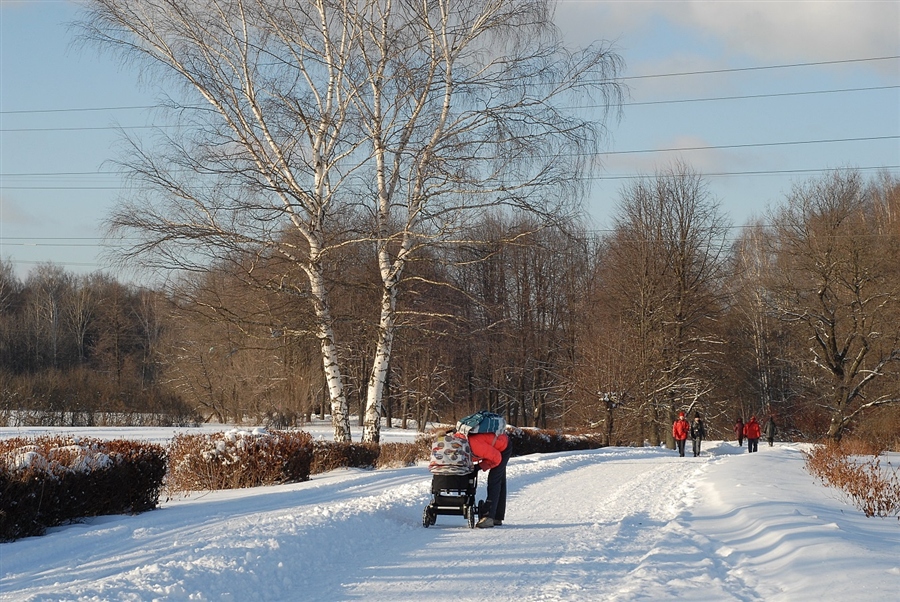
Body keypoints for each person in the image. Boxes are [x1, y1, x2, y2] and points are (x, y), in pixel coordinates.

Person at [467, 430, 511, 528]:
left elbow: (496, 458)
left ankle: (489, 517)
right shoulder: (460, 443)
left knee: (494, 480)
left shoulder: (475, 446)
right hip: (494, 445)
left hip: (503, 447)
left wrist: (478, 467)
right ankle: (497, 517)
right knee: (499, 480)